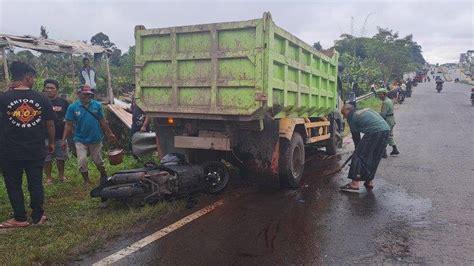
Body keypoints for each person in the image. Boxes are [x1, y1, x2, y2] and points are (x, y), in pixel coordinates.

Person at [0, 62, 55, 228]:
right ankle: (38, 216)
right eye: (33, 78)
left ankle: (20, 218)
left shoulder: (3, 98)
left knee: (13, 184)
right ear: (28, 77)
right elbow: (50, 124)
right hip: (35, 149)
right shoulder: (41, 98)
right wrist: (51, 142)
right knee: (35, 183)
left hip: (9, 151)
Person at [62, 85, 116, 203]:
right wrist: (63, 139)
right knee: (82, 161)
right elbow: (68, 125)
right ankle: (86, 180)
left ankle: (103, 174)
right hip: (80, 139)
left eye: (89, 94)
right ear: (79, 94)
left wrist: (110, 133)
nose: (87, 96)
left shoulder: (97, 105)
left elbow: (102, 121)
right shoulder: (73, 107)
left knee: (98, 161)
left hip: (95, 138)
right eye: (85, 94)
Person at [340, 104, 390, 192]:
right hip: (386, 130)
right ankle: (369, 181)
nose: (344, 117)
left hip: (374, 132)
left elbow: (356, 138)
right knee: (373, 157)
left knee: (358, 156)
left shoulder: (352, 116)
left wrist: (357, 151)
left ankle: (354, 184)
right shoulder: (364, 110)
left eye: (343, 114)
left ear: (348, 110)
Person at [43, 79, 69, 184]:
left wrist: (65, 137)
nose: (49, 90)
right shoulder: (40, 101)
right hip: (44, 135)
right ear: (44, 89)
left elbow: (68, 120)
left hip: (60, 135)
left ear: (57, 90)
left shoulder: (63, 103)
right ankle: (48, 178)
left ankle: (61, 176)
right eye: (47, 88)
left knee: (60, 157)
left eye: (52, 88)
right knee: (46, 158)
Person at [376, 88, 400, 157]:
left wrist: (376, 115)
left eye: (381, 94)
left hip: (388, 120)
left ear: (385, 94)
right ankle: (394, 149)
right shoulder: (389, 100)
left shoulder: (385, 102)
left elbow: (383, 114)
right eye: (379, 94)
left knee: (384, 136)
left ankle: (384, 152)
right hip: (391, 120)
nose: (380, 96)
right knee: (389, 135)